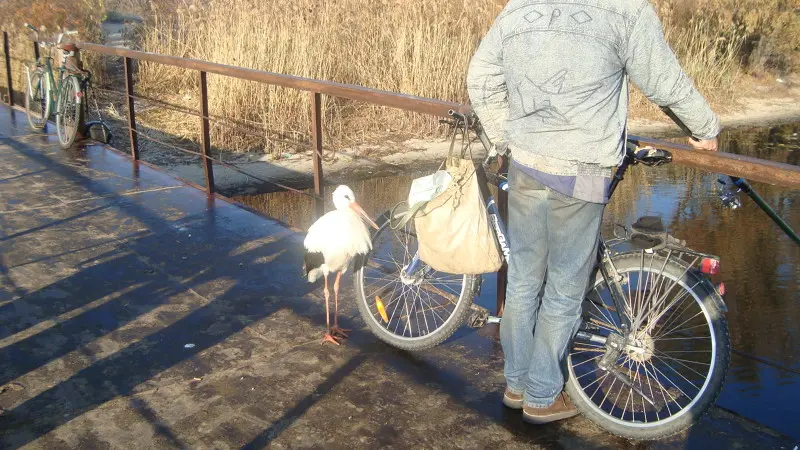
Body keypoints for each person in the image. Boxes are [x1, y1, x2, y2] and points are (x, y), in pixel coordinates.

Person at [466, 0, 720, 424]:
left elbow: (481, 76)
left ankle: (517, 384)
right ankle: (543, 396)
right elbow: (665, 83)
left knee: (526, 282)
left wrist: (505, 136)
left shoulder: (521, 6)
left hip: (527, 163)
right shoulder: (627, 11)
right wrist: (705, 128)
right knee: (565, 289)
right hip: (582, 172)